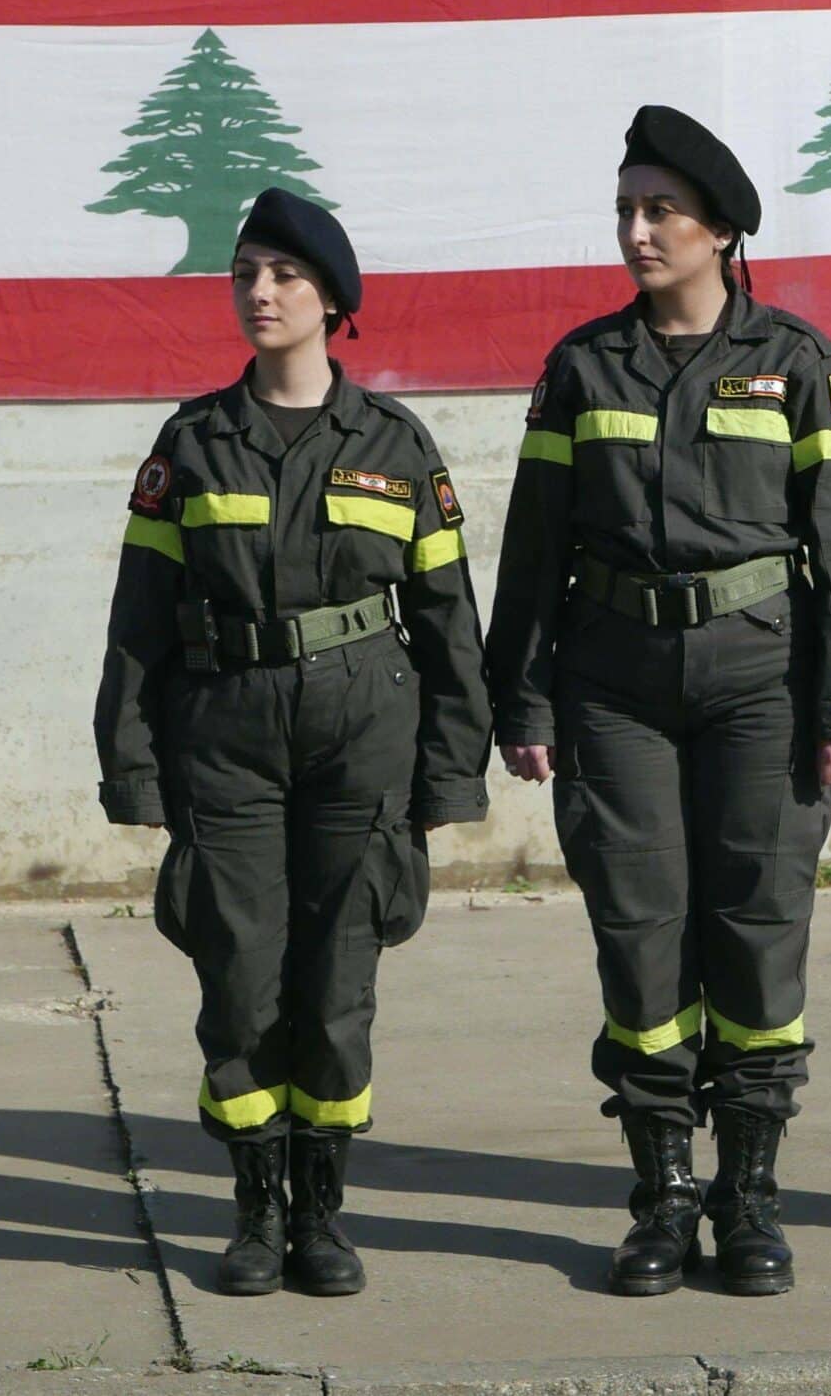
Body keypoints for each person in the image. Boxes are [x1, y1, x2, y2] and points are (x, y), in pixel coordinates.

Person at [486, 105, 831, 1298]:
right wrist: (522, 697)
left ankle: (751, 1196)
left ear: (721, 228)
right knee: (640, 931)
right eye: (627, 208)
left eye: (661, 209)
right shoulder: (582, 368)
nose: (636, 230)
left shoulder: (803, 365)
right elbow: (533, 549)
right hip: (612, 684)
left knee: (758, 932)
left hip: (761, 685)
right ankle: (664, 1194)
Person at [94, 186, 490, 1300]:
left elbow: (450, 622)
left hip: (361, 742)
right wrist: (131, 763)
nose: (260, 293)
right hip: (224, 737)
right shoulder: (192, 444)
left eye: (285, 276)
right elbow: (137, 619)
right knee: (239, 978)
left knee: (337, 983)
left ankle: (324, 1212)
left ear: (332, 301)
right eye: (246, 274)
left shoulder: (397, 448)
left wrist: (452, 773)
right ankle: (254, 1211)